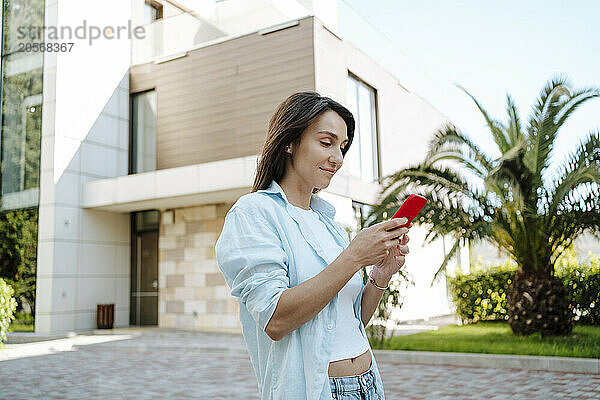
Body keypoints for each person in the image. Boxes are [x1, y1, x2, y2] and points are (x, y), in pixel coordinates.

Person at [215, 92, 411, 400]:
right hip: (317, 390)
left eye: (342, 147)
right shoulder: (253, 213)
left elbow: (352, 318)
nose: (338, 157)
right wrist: (354, 256)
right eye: (326, 142)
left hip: (368, 383)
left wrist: (380, 275)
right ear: (290, 142)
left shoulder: (329, 224)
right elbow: (275, 319)